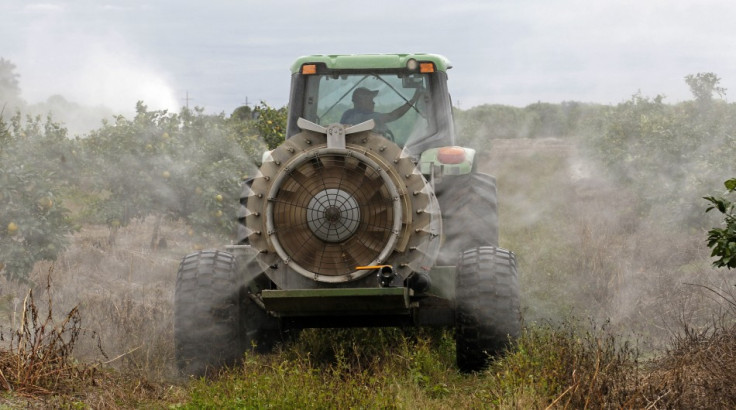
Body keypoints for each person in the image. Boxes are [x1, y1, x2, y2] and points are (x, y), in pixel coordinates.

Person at [340, 87, 422, 134]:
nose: (373, 103)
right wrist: (413, 99)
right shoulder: (370, 117)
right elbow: (392, 116)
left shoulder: (347, 115)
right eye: (370, 100)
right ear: (362, 101)